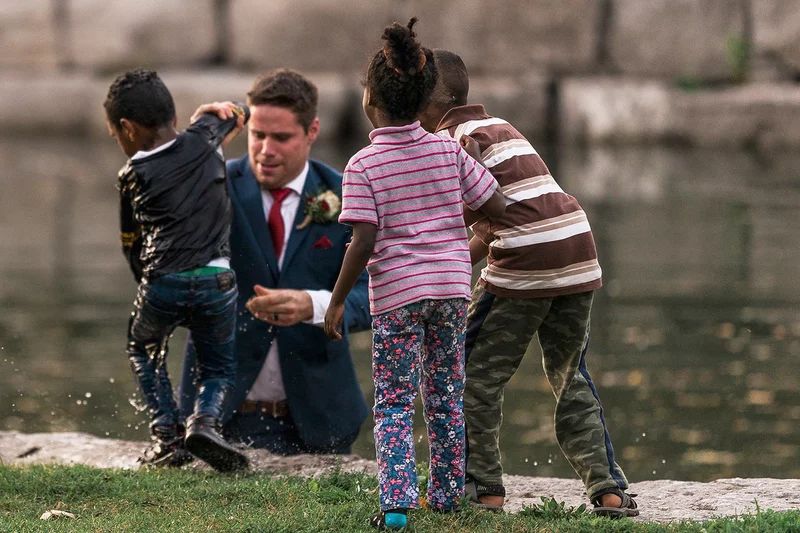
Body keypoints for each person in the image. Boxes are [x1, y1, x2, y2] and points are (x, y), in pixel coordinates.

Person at [417, 49, 639, 517]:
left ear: (421, 101)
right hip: (577, 248)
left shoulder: (450, 144)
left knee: (469, 373)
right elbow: (489, 227)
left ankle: (484, 488)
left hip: (527, 257)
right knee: (570, 373)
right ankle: (608, 488)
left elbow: (472, 219)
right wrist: (458, 260)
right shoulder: (499, 127)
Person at [324, 20, 506, 531]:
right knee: (446, 394)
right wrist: (458, 207)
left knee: (395, 400)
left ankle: (397, 505)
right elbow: (494, 201)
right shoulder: (449, 150)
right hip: (451, 288)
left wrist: (338, 300)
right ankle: (446, 495)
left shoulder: (363, 165)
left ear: (370, 100)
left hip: (398, 295)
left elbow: (363, 241)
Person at [179, 69, 372, 455]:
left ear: (312, 130)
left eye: (281, 138)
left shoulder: (346, 195)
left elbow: (378, 294)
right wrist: (194, 148)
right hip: (218, 418)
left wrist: (317, 306)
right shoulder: (213, 185)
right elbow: (168, 238)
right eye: (258, 135)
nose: (266, 149)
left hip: (320, 419)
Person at [105, 69, 248, 472]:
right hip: (217, 280)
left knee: (142, 346)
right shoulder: (204, 135)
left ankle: (167, 434)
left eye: (114, 133)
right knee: (217, 365)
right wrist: (213, 111)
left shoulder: (131, 174)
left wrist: (147, 284)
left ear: (128, 129)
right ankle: (204, 423)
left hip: (162, 280)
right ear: (173, 115)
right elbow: (242, 111)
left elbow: (130, 241)